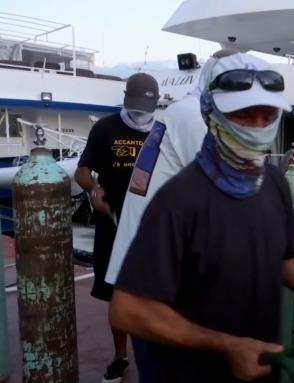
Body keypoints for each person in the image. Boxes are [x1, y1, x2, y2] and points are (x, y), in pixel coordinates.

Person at [108, 53, 294, 383]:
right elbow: (128, 309)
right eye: (243, 114)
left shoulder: (273, 182)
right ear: (211, 113)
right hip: (170, 323)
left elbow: (283, 258)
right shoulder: (179, 200)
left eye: (269, 115)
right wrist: (228, 346)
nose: (258, 128)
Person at [74, 72, 160, 383]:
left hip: (150, 225)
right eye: (136, 106)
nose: (141, 114)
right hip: (111, 221)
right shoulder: (105, 127)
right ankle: (121, 356)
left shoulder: (162, 131)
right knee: (116, 293)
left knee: (153, 292)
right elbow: (83, 170)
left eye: (147, 108)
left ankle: (155, 354)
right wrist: (93, 191)